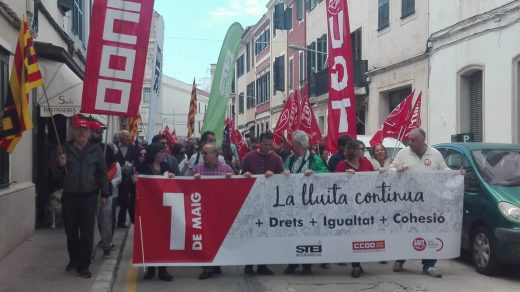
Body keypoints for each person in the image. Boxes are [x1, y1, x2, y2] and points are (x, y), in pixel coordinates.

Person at [388, 128, 464, 278]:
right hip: (408, 202)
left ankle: (429, 265)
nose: (409, 142)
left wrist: (457, 174)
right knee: (406, 231)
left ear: (422, 140)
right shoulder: (403, 153)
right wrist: (397, 171)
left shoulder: (435, 154)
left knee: (430, 232)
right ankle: (400, 259)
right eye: (409, 139)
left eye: (412, 140)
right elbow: (391, 168)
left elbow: (445, 171)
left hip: (430, 203)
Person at [54, 115, 110, 278]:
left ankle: (84, 264)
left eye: (84, 129)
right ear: (73, 131)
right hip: (69, 196)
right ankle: (74, 259)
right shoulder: (63, 149)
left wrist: (105, 194)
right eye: (78, 129)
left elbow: (102, 174)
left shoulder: (96, 150)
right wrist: (59, 165)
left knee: (86, 232)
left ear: (90, 132)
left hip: (89, 197)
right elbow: (55, 176)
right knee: (71, 232)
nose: (81, 132)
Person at [283, 131, 329, 275]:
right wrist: (285, 173)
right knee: (292, 233)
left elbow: (326, 173)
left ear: (299, 144)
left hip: (310, 203)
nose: (291, 144)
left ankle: (307, 264)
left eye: (293, 142)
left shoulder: (314, 159)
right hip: (292, 203)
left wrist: (314, 173)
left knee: (308, 233)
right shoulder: (290, 159)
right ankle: (293, 262)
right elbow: (284, 171)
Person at [241, 131, 284, 276]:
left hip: (268, 202)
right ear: (259, 143)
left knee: (265, 234)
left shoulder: (277, 159)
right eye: (265, 144)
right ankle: (248, 263)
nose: (267, 148)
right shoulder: (248, 157)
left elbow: (282, 180)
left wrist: (275, 177)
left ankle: (262, 264)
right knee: (250, 234)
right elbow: (241, 175)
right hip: (251, 200)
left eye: (270, 145)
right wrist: (245, 175)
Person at [132, 143, 175, 281]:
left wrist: (173, 178)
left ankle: (163, 270)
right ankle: (150, 269)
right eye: (161, 152)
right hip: (148, 210)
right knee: (149, 239)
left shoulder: (166, 167)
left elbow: (176, 183)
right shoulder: (142, 167)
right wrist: (134, 181)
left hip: (163, 209)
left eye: (164, 152)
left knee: (163, 240)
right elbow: (132, 187)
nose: (164, 154)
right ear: (153, 153)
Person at [193, 143, 234, 280]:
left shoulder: (226, 169)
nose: (203, 155)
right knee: (205, 239)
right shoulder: (197, 169)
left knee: (218, 238)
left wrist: (231, 181)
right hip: (202, 211)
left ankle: (216, 264)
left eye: (206, 153)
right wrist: (194, 181)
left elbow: (237, 188)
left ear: (216, 155)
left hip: (220, 211)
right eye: (202, 153)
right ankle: (207, 267)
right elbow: (186, 188)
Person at [335, 140, 374, 278]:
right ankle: (355, 265)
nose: (364, 151)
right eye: (362, 148)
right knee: (353, 236)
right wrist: (346, 178)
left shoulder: (367, 163)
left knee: (363, 235)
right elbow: (335, 185)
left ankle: (359, 261)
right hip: (349, 207)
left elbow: (374, 182)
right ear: (354, 150)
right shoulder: (341, 165)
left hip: (365, 206)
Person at [113, 130, 136, 227]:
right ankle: (111, 222)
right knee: (113, 201)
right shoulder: (114, 147)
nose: (129, 138)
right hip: (114, 177)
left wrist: (131, 166)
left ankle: (121, 221)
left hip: (126, 178)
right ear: (120, 137)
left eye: (129, 136)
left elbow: (135, 160)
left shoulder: (133, 147)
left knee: (125, 201)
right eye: (126, 136)